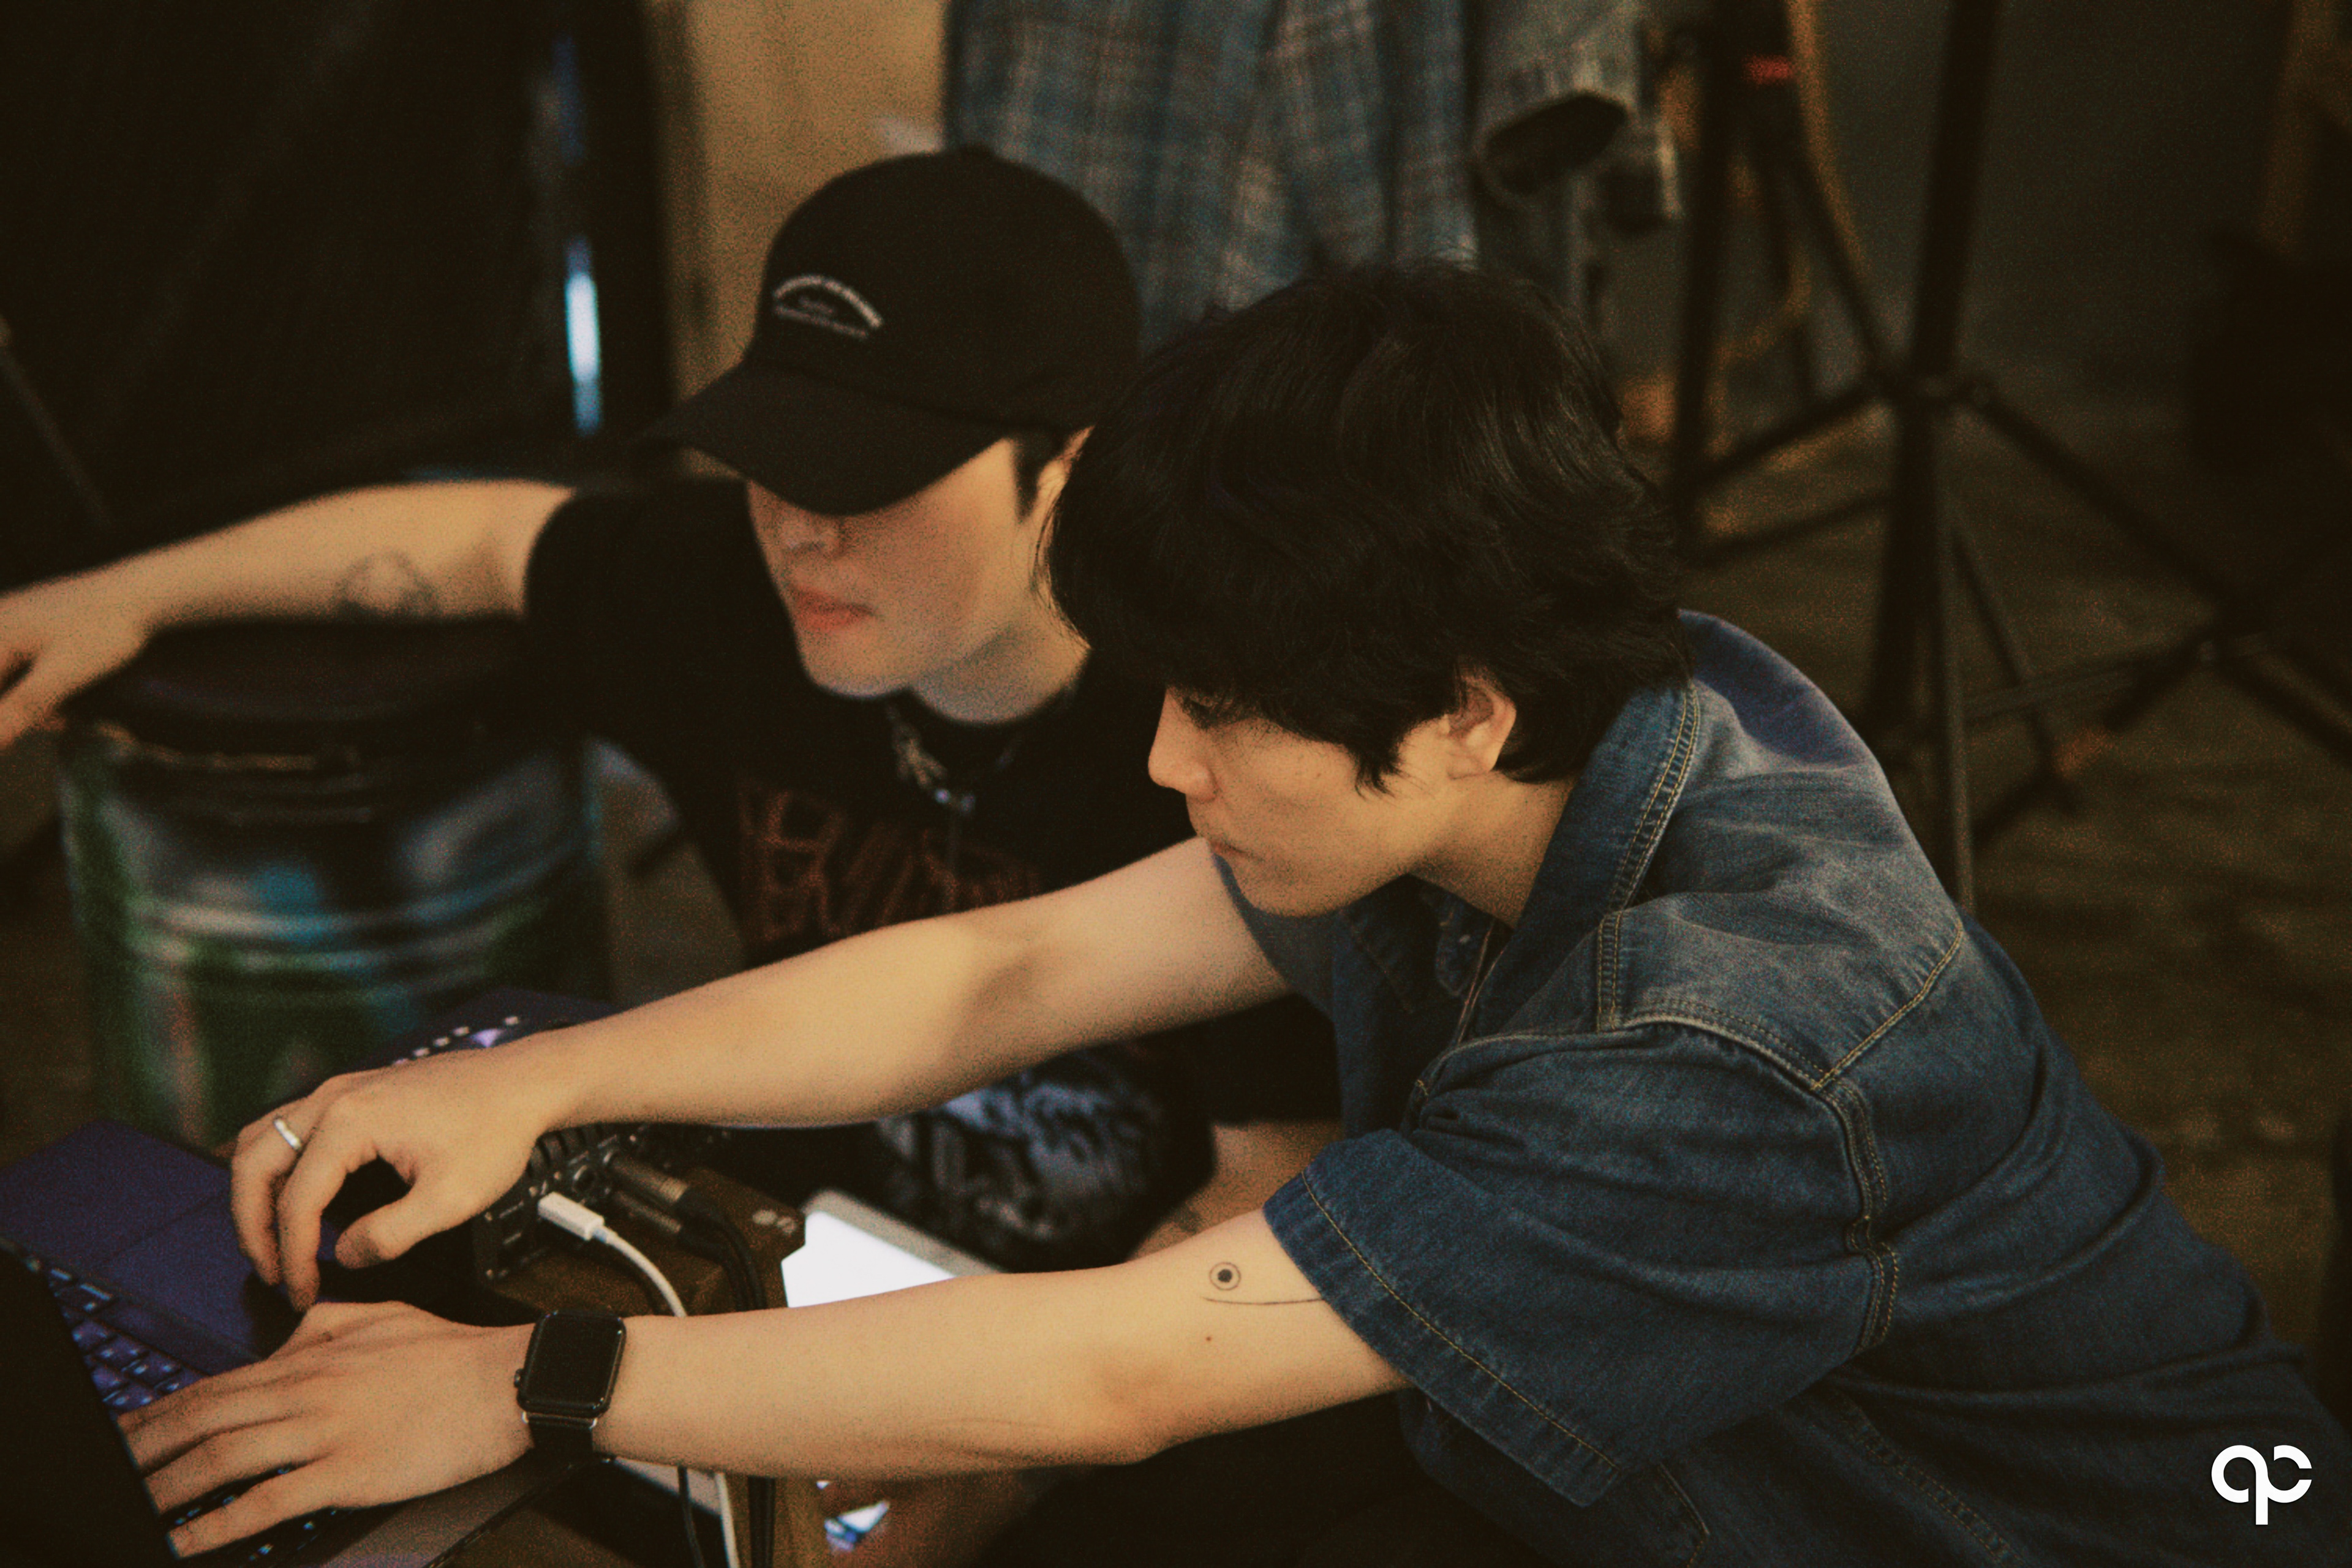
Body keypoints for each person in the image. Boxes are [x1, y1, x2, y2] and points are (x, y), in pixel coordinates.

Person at [119, 264, 2345, 1566]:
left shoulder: (1731, 1041)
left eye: (1225, 713)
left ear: (1458, 715)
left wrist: (527, 1386)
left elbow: (1127, 1369)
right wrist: (533, 1084)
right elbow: (1011, 968)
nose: (1167, 762)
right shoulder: (1548, 736)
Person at [0, 148, 1341, 1281]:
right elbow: (489, 541)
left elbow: (1275, 1174)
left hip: (1114, 1328)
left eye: (865, 474)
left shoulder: (1217, 729)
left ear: (1075, 467)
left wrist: (991, 1444)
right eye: (772, 455)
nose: (801, 528)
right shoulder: (737, 602)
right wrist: (121, 597)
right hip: (787, 1257)